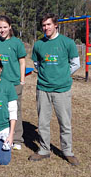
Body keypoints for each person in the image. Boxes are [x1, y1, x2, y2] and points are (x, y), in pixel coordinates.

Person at [29, 13, 80, 166]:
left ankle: (67, 151)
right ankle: (44, 150)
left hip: (62, 90)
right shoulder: (39, 44)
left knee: (65, 122)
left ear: (55, 25)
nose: (46, 28)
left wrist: (62, 76)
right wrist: (46, 76)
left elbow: (76, 64)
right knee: (43, 122)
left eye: (49, 24)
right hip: (43, 89)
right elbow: (37, 64)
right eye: (44, 25)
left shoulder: (67, 42)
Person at [0, 15, 26, 150]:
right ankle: (1, 135)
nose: (2, 30)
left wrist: (22, 80)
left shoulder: (17, 43)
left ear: (10, 27)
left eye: (5, 27)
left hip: (14, 83)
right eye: (0, 27)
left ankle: (17, 139)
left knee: (15, 111)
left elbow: (22, 62)